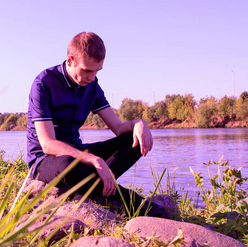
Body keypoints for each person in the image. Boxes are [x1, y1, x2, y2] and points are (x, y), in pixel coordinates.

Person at [26, 32, 164, 216]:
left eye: (97, 71)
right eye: (87, 70)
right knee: (68, 163)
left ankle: (91, 188)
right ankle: (132, 202)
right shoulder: (43, 83)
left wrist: (139, 123)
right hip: (47, 160)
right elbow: (47, 144)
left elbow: (118, 128)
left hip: (79, 153)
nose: (92, 77)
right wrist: (93, 160)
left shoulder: (92, 85)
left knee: (134, 140)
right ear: (70, 60)